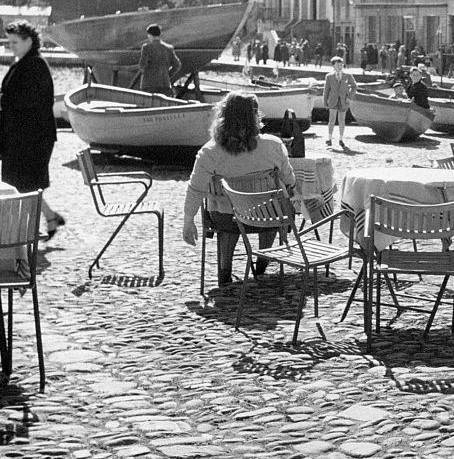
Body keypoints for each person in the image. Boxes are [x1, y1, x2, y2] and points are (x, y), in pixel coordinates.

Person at [181, 93, 299, 287]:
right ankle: (261, 264)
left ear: (223, 116)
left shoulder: (209, 152)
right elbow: (290, 180)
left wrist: (188, 220)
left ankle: (224, 273)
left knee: (228, 215)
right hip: (267, 217)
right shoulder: (273, 145)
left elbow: (196, 188)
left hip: (227, 218)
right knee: (272, 210)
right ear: (255, 117)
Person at [0, 21, 65, 238]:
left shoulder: (34, 64)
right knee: (25, 183)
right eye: (9, 42)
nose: (11, 46)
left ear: (29, 41)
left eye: (15, 42)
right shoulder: (25, 63)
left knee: (24, 183)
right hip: (24, 134)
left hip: (33, 136)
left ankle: (28, 231)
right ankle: (49, 217)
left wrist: (3, 102)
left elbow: (30, 100)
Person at [322, 56, 357, 150]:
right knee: (331, 119)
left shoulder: (348, 75)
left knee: (342, 120)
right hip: (333, 100)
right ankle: (329, 138)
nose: (340, 66)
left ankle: (341, 139)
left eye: (341, 64)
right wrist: (325, 102)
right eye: (338, 64)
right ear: (333, 66)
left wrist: (349, 97)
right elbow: (326, 90)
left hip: (343, 101)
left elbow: (354, 86)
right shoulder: (329, 76)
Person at [137, 23, 182, 95]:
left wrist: (147, 74)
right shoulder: (169, 48)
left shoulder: (146, 47)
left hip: (149, 85)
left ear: (150, 35)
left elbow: (142, 65)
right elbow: (177, 65)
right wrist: (168, 75)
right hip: (165, 84)